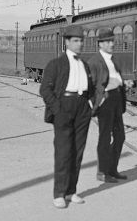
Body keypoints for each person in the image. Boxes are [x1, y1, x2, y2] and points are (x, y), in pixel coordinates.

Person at [39, 24, 95, 209]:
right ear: (67, 42)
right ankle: (59, 193)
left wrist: (91, 105)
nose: (80, 44)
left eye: (81, 41)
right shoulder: (56, 64)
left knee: (78, 151)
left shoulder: (84, 65)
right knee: (64, 152)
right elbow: (45, 89)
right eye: (76, 41)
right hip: (64, 107)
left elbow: (91, 89)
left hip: (82, 109)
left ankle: (71, 191)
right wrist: (57, 110)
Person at [87, 29, 133, 183]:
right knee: (105, 137)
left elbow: (115, 79)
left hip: (117, 100)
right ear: (100, 44)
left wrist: (123, 83)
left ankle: (112, 169)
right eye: (107, 41)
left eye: (112, 41)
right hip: (105, 102)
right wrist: (97, 102)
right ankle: (102, 171)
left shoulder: (113, 60)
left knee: (120, 136)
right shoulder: (94, 62)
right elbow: (90, 85)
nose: (111, 44)